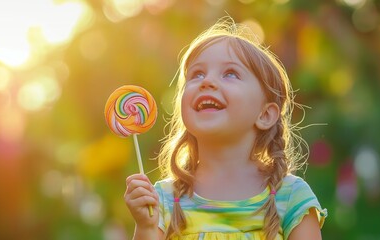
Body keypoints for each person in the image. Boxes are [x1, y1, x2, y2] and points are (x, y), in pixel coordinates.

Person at [124, 17, 327, 240]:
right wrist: (145, 227)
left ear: (265, 114)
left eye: (230, 73)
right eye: (197, 74)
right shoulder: (163, 200)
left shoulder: (291, 198)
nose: (206, 82)